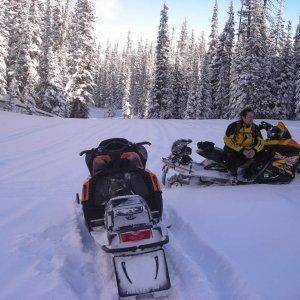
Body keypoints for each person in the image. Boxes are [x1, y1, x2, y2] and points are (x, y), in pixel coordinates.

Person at [223, 107, 264, 182]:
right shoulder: (234, 126)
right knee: (231, 155)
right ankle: (233, 175)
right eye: (249, 117)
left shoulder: (255, 128)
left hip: (249, 150)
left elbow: (261, 141)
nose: (252, 119)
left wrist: (254, 150)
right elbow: (228, 140)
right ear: (243, 117)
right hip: (235, 149)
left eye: (253, 117)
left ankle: (249, 175)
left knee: (262, 154)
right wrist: (242, 150)